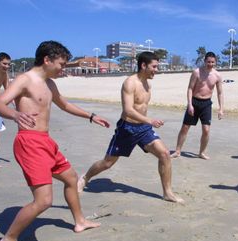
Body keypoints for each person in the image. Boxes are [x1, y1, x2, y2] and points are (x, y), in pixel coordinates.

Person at [0, 41, 110, 241]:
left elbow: (64, 105)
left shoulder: (49, 84)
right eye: (61, 64)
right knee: (44, 200)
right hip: (29, 143)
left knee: (72, 179)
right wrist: (16, 115)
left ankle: (80, 221)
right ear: (47, 60)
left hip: (46, 141)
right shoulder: (24, 80)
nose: (63, 69)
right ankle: (8, 240)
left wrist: (91, 116)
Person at [77, 51, 184, 204]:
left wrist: (147, 123)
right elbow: (128, 110)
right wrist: (150, 121)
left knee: (165, 154)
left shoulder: (148, 83)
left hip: (144, 129)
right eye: (154, 67)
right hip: (127, 129)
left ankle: (167, 192)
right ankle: (85, 178)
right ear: (143, 65)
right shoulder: (130, 83)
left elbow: (141, 108)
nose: (156, 70)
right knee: (107, 163)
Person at [170, 52, 224, 160]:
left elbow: (220, 93)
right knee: (185, 128)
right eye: (208, 61)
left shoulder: (217, 75)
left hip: (206, 104)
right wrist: (190, 104)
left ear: (215, 62)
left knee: (206, 130)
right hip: (194, 102)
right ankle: (177, 151)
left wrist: (221, 109)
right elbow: (190, 88)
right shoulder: (197, 72)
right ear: (204, 61)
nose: (210, 64)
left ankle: (202, 152)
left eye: (213, 62)